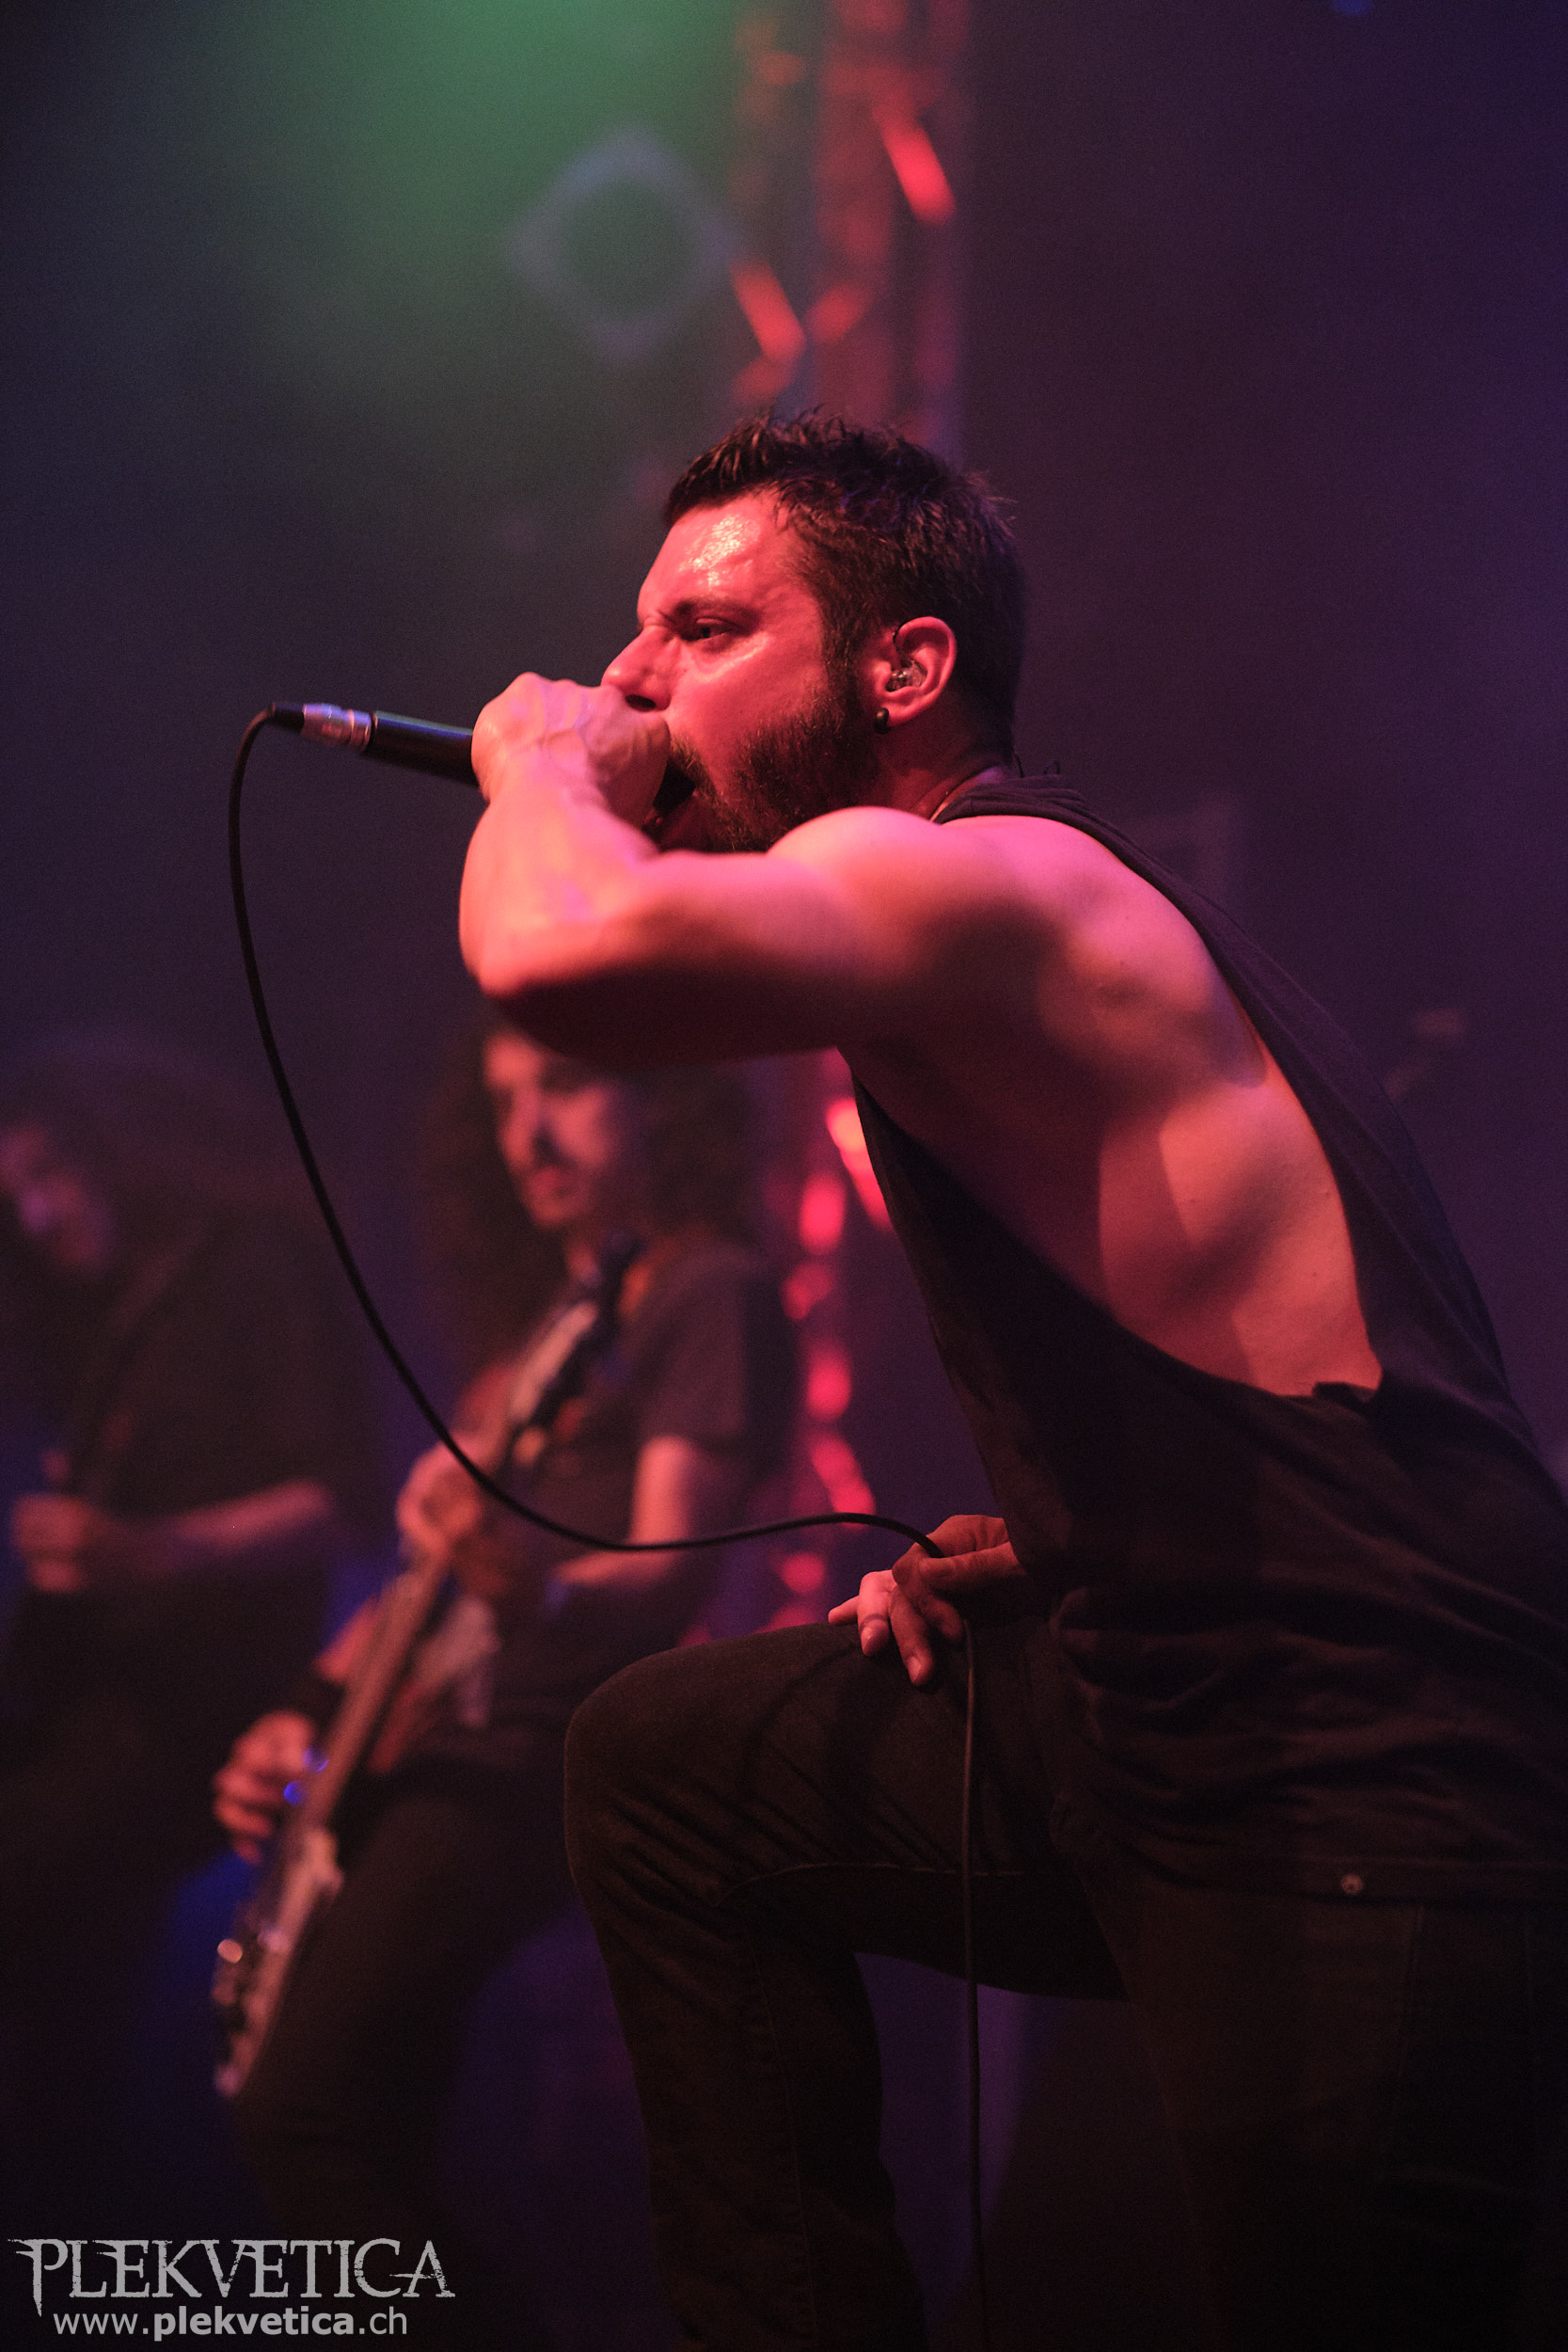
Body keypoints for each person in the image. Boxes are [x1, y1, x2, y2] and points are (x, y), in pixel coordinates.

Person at [452, 413, 1568, 2351]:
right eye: (632, 637)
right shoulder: (964, 916)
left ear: (905, 667)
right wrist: (1074, 1540)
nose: (627, 681)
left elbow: (563, 958)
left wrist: (541, 770)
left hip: (1354, 1774)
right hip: (1160, 1704)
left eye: (701, 632)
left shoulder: (991, 886)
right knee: (670, 1771)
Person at [213, 1018, 796, 2348]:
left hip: (527, 1756)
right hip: (426, 1747)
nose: (526, 1132)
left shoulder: (706, 1287)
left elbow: (672, 1563)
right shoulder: (552, 1331)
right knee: (372, 2135)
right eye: (503, 1100)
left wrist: (538, 1585)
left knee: (302, 2112)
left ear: (661, 1098)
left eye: (567, 1087)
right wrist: (300, 1714)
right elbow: (420, 1593)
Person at [0, 1025, 384, 2227]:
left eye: (51, 1177)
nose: (38, 1217)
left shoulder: (252, 1271)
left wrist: (157, 1548)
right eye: (19, 1196)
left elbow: (341, 1500)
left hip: (201, 1703)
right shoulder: (117, 1311)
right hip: (98, 1699)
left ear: (123, 1152)